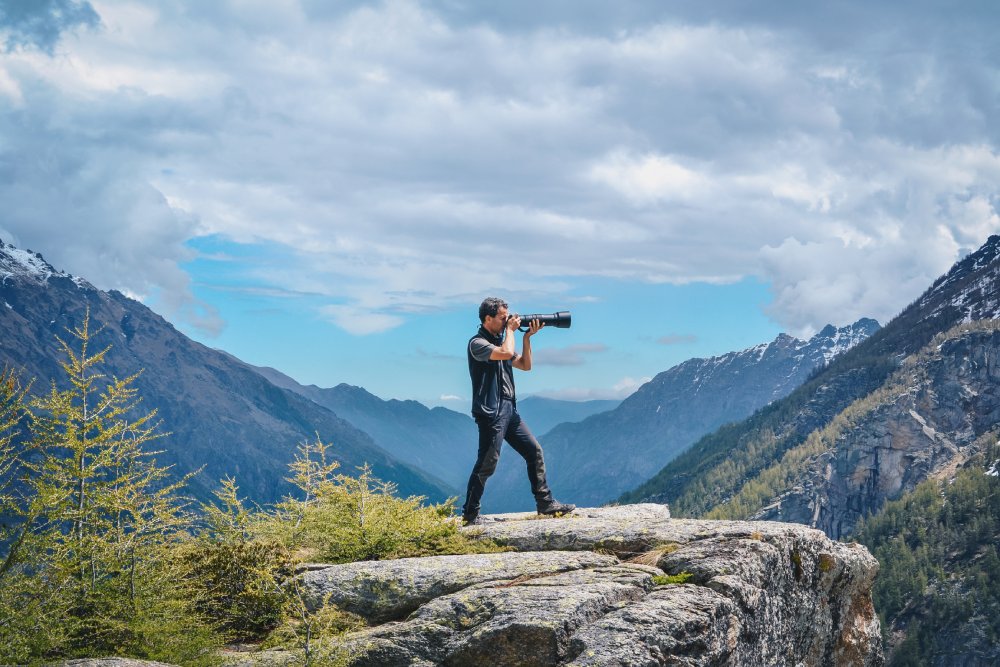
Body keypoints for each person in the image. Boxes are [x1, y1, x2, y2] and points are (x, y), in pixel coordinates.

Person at [461, 297, 576, 525]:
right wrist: (511, 332)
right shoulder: (478, 344)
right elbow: (504, 353)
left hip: (509, 409)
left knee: (534, 451)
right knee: (487, 463)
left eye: (508, 317)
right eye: (503, 318)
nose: (507, 321)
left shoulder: (502, 342)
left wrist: (526, 337)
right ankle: (470, 514)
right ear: (488, 318)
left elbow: (525, 365)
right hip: (491, 412)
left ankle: (545, 504)